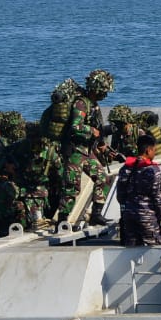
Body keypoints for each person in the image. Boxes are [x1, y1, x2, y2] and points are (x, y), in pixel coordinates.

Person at [58, 69, 115, 226]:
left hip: (86, 151)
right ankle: (61, 221)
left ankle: (96, 214)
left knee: (103, 178)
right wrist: (91, 130)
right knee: (71, 187)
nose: (105, 95)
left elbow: (97, 129)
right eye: (104, 91)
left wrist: (102, 145)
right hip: (74, 151)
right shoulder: (81, 104)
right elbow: (75, 127)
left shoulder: (93, 106)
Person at [117, 134, 161, 245]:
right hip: (147, 219)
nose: (154, 153)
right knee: (151, 251)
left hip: (128, 217)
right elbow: (158, 198)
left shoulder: (125, 169)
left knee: (130, 252)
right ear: (148, 150)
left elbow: (120, 196)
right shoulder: (152, 170)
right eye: (154, 150)